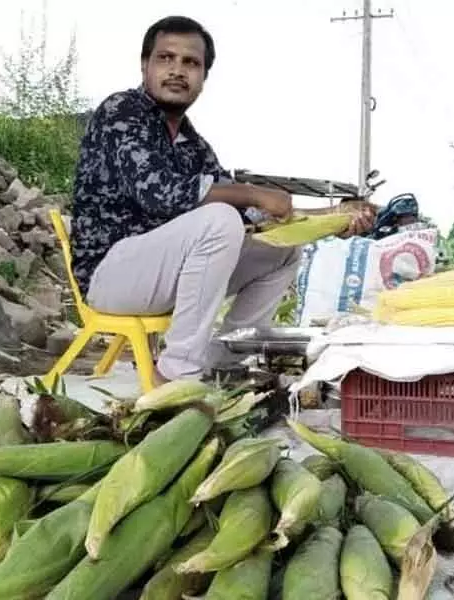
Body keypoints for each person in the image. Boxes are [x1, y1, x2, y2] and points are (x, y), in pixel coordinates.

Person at [71, 16, 375, 384]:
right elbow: (161, 193)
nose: (177, 71)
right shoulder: (122, 111)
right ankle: (175, 372)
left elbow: (255, 214)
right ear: (145, 66)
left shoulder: (192, 143)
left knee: (281, 251)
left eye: (191, 63)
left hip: (166, 274)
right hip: (111, 277)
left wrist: (335, 218)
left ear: (203, 77)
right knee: (219, 219)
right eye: (166, 59)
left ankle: (224, 359)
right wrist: (252, 192)